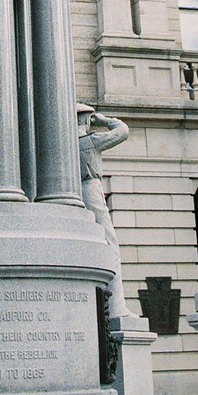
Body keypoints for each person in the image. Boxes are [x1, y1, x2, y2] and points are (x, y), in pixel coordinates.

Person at [77, 104, 135, 318]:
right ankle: (117, 308)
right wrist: (104, 120)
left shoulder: (63, 145)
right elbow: (123, 131)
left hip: (71, 195)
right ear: (86, 120)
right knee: (111, 247)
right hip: (91, 190)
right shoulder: (90, 141)